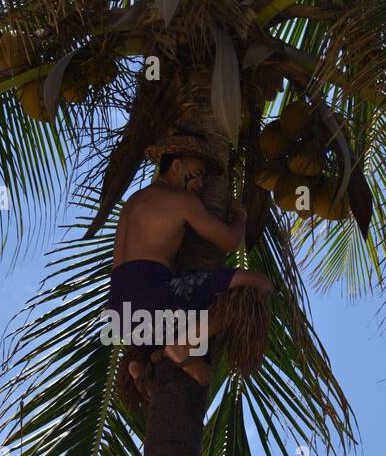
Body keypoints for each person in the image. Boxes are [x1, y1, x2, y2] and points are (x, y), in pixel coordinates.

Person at [107, 128, 273, 391]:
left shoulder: (134, 202)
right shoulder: (181, 200)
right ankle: (182, 346)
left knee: (165, 309)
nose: (201, 183)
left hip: (120, 313)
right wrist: (240, 215)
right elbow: (231, 241)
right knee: (259, 285)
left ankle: (142, 361)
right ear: (176, 165)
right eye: (198, 173)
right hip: (152, 298)